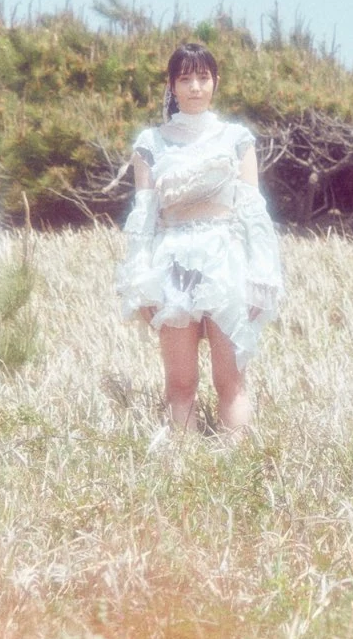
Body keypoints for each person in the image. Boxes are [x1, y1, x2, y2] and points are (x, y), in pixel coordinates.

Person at [116, 42, 283, 435]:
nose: (195, 87)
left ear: (215, 82)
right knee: (180, 383)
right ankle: (185, 463)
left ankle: (236, 462)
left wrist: (262, 275)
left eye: (203, 78)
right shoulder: (151, 143)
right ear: (172, 85)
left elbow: (252, 211)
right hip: (173, 263)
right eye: (185, 79)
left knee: (230, 380)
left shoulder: (236, 138)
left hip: (225, 259)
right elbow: (144, 217)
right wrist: (141, 282)